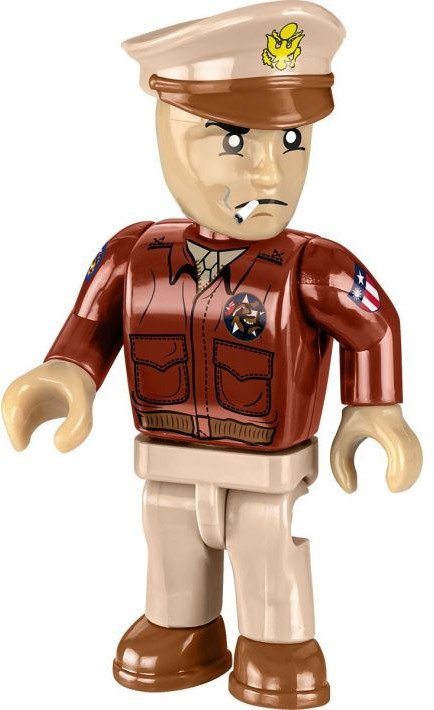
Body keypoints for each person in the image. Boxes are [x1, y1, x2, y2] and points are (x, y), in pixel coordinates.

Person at [2, 2, 422, 708]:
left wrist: (374, 408)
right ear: (167, 131)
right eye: (233, 140)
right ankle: (182, 628)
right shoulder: (132, 254)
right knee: (169, 533)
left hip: (263, 463)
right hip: (167, 451)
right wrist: (66, 374)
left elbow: (374, 325)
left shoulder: (315, 268)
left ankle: (278, 642)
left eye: (292, 140)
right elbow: (89, 326)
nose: (270, 172)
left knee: (264, 541)